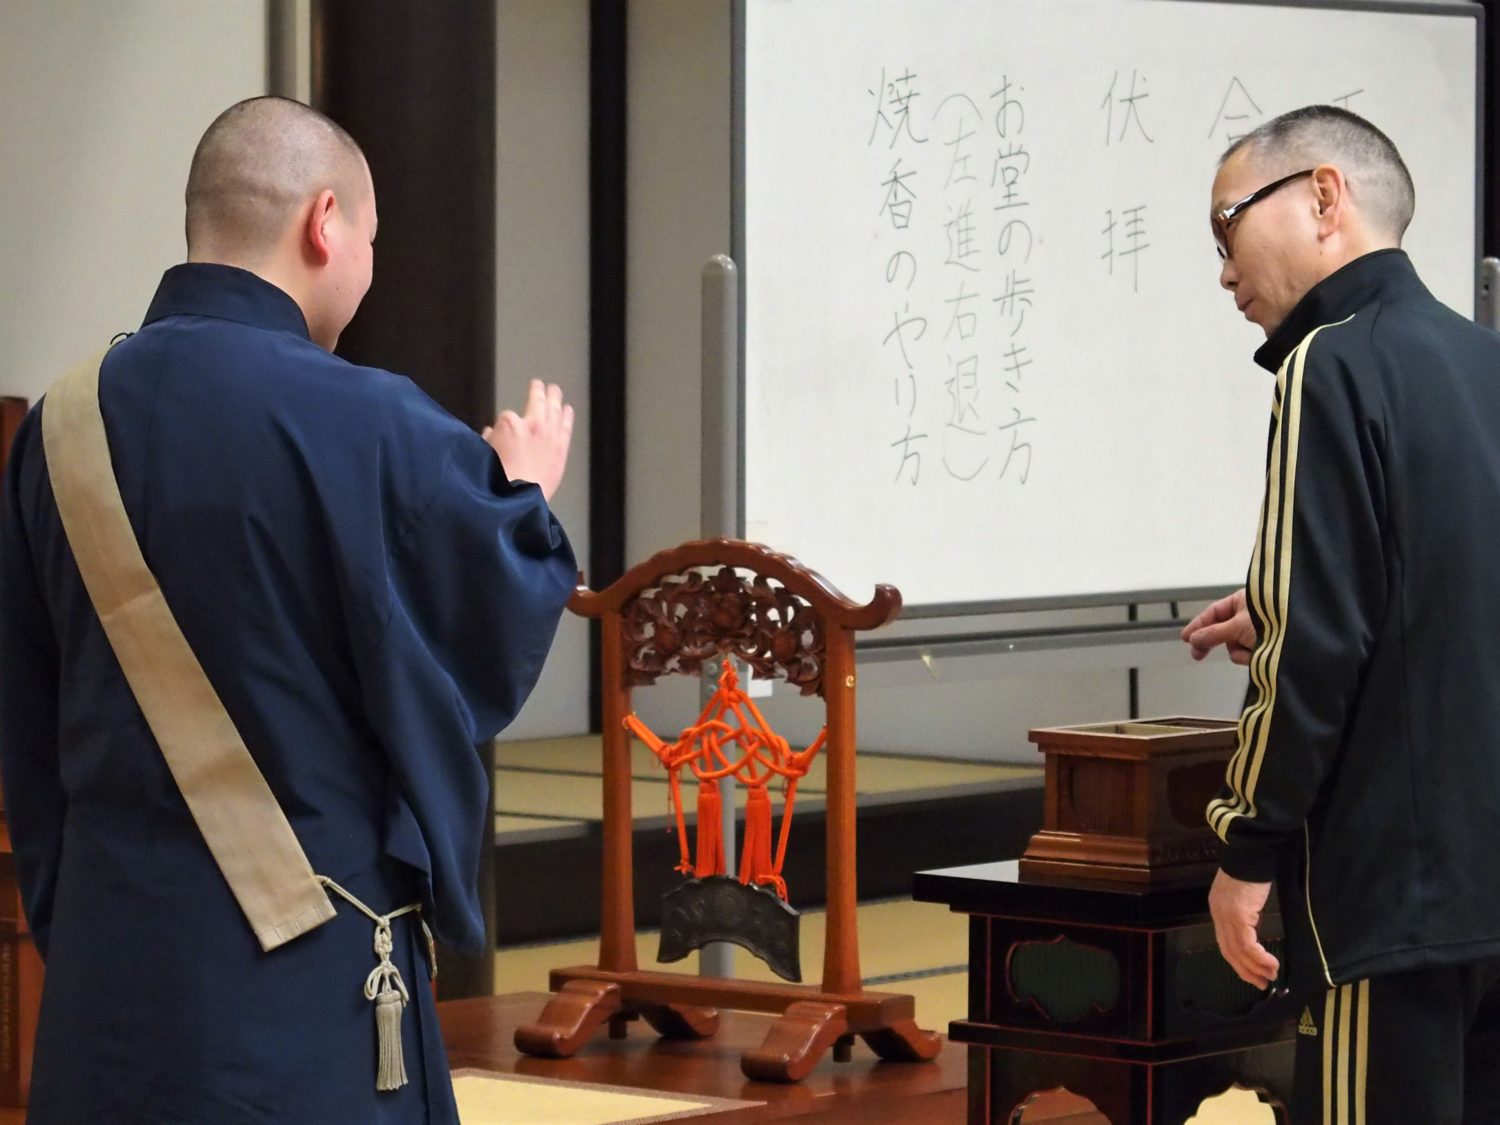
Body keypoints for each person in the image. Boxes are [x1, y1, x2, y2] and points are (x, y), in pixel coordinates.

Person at [0, 96, 577, 1122]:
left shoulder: (56, 429)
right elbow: (481, 638)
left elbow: (27, 725)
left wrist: (81, 918)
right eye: (369, 237)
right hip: (303, 985)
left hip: (108, 982)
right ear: (325, 223)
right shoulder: (375, 423)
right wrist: (521, 497)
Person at [1182, 105, 1500, 1120]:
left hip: (1390, 894)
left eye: (1225, 225)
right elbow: (1444, 597)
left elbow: (1317, 651)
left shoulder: (1333, 360)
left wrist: (1245, 849)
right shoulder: (1484, 363)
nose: (1225, 272)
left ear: (1324, 195)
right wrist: (1279, 604)